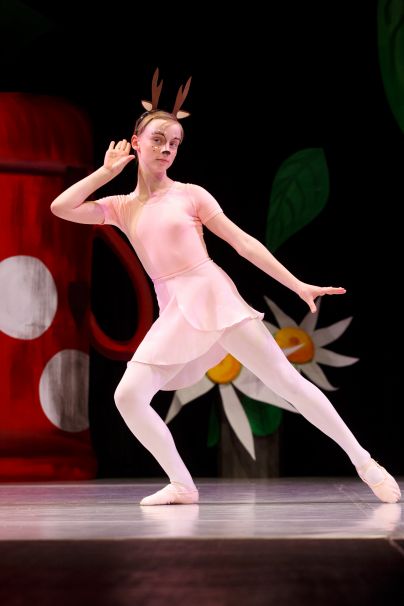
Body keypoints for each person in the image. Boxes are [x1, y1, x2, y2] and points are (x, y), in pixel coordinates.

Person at [50, 72, 401, 506]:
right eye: (158, 139)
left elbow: (243, 243)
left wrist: (296, 284)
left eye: (174, 143)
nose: (166, 148)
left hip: (212, 295)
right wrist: (105, 172)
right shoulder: (120, 206)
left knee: (288, 383)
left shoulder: (191, 195)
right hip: (174, 308)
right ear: (135, 142)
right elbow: (61, 207)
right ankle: (182, 484)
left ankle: (366, 464)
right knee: (129, 396)